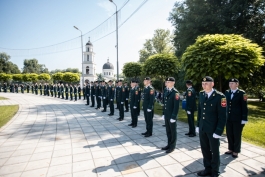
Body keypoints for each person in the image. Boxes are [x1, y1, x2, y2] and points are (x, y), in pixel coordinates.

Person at [196, 76, 226, 177]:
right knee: (205, 150)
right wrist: (198, 125)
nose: (204, 85)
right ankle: (207, 169)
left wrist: (218, 131)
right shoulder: (201, 94)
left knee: (214, 151)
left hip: (213, 129)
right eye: (203, 84)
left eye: (207, 83)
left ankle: (215, 171)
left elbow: (222, 116)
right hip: (203, 128)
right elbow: (200, 111)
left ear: (212, 84)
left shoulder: (220, 97)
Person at [224, 78, 248, 158]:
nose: (230, 85)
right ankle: (231, 148)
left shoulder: (242, 93)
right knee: (229, 134)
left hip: (238, 118)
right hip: (229, 118)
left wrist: (244, 118)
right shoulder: (227, 92)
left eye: (232, 83)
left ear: (237, 84)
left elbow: (244, 107)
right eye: (230, 83)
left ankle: (236, 150)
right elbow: (225, 104)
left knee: (237, 134)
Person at [161, 77, 179, 153]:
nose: (167, 83)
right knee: (168, 131)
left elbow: (176, 106)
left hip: (172, 116)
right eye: (167, 82)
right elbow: (164, 104)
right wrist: (164, 113)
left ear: (173, 83)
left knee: (173, 131)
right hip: (167, 115)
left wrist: (174, 116)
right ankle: (168, 144)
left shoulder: (176, 93)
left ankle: (172, 146)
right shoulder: (166, 91)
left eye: (168, 82)